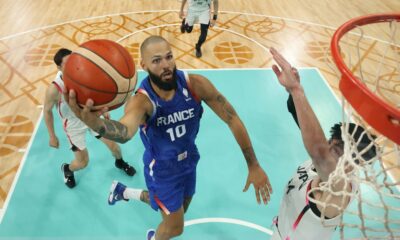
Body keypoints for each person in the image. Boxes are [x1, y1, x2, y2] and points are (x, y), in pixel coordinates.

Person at [63, 36, 272, 240]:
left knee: (179, 208)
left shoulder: (195, 85)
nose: (166, 65)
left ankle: (124, 192)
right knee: (174, 228)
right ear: (144, 65)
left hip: (189, 160)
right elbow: (125, 131)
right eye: (156, 60)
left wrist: (253, 165)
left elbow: (232, 118)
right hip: (162, 171)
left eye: (169, 56)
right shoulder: (142, 102)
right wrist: (93, 122)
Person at [269, 47, 377, 240]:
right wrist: (291, 92)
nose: (338, 161)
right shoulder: (317, 162)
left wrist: (297, 90)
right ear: (331, 141)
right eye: (336, 150)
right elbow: (299, 117)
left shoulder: (339, 190)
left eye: (352, 160)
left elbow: (320, 154)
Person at [43, 48, 136, 189]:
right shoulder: (54, 89)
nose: (71, 67)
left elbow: (94, 95)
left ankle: (120, 162)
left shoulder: (82, 76)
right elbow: (47, 111)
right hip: (73, 125)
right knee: (82, 163)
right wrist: (51, 135)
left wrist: (103, 111)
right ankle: (67, 169)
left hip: (90, 117)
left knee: (115, 146)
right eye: (66, 64)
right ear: (59, 67)